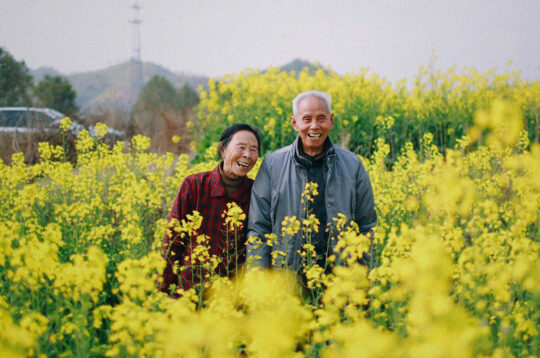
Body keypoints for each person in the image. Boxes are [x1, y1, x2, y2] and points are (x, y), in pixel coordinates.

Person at [247, 90, 377, 272]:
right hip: (287, 278)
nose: (314, 126)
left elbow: (367, 227)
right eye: (307, 119)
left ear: (331, 121)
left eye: (321, 118)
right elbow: (258, 230)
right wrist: (258, 279)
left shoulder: (353, 165)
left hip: (341, 278)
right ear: (295, 123)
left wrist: (363, 278)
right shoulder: (272, 165)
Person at [160, 124, 261, 296]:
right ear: (222, 150)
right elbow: (173, 242)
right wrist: (163, 293)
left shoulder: (257, 193)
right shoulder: (194, 185)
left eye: (254, 150)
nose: (247, 155)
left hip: (231, 301)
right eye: (241, 147)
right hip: (189, 294)